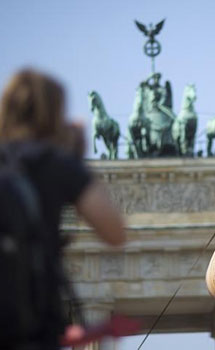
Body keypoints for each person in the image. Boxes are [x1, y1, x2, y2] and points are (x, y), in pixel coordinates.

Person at [0, 69, 125, 349]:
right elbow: (115, 233)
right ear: (53, 113)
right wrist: (75, 159)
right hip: (34, 330)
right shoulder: (55, 162)